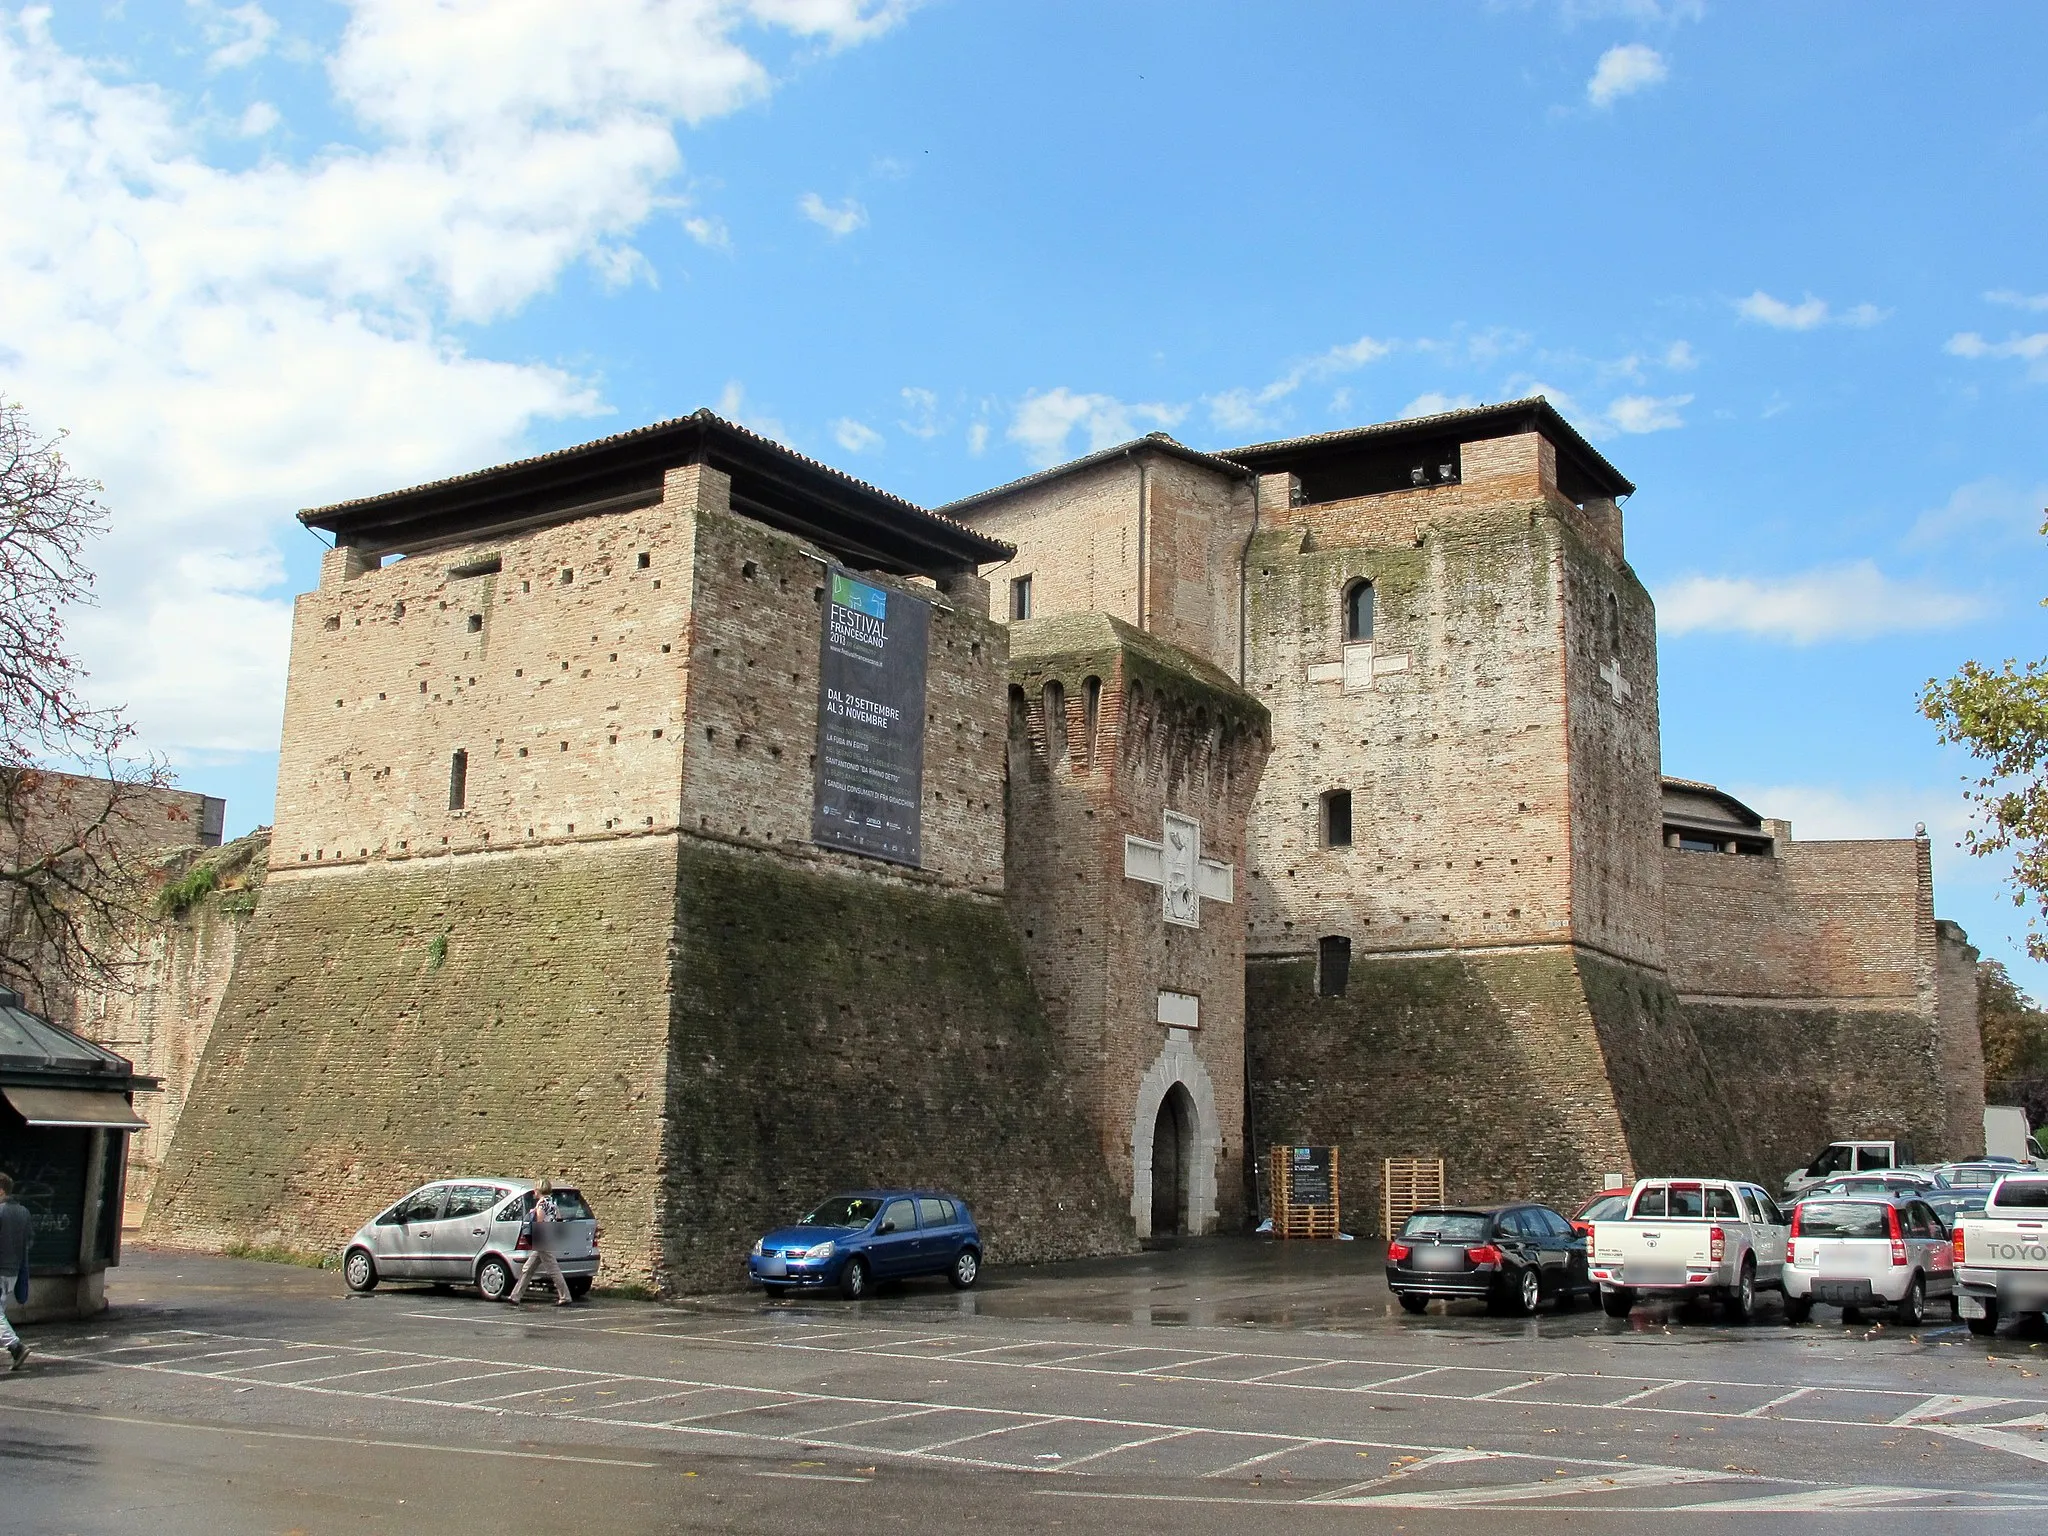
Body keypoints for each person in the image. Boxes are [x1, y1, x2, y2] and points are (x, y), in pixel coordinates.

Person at [507, 1178, 572, 1307]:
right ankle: (515, 1296)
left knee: (553, 1269)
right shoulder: (553, 1203)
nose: (534, 1192)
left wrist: (533, 1216)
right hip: (550, 1237)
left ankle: (565, 1297)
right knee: (527, 1268)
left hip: (542, 1238)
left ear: (539, 1190)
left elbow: (539, 1223)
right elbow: (558, 1219)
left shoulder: (542, 1204)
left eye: (535, 1189)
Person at [0, 1171, 32, 1370]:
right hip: (12, 1271)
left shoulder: (1, 1211)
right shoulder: (23, 1212)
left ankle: (16, 1347)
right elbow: (26, 1243)